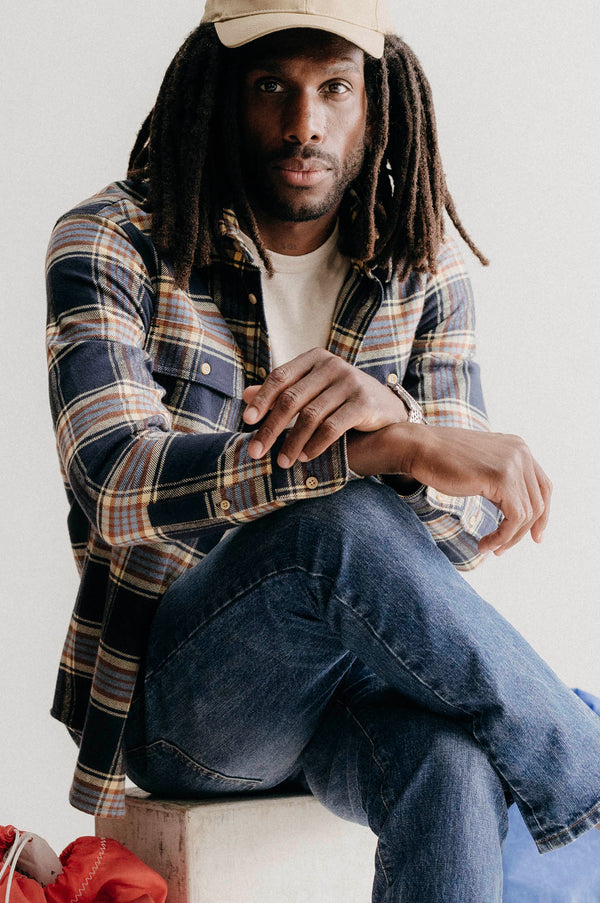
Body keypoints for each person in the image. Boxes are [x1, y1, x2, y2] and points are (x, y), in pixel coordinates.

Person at [45, 1, 600, 900]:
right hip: (191, 705)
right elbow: (113, 483)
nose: (305, 123)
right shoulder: (113, 239)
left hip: (361, 688)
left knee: (452, 768)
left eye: (334, 88)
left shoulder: (423, 263)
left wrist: (408, 439)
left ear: (376, 102)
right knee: (333, 521)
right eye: (272, 88)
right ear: (222, 95)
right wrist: (384, 450)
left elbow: (460, 541)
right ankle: (587, 784)